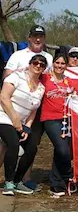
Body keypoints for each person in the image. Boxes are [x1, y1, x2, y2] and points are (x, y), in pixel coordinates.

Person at [1, 55, 46, 196]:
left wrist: (27, 127)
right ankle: (8, 182)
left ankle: (17, 180)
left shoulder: (41, 88)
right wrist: (15, 121)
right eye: (35, 63)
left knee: (31, 147)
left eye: (42, 64)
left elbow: (33, 110)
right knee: (13, 144)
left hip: (21, 123)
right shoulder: (16, 77)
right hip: (4, 117)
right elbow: (3, 97)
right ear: (30, 64)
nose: (38, 66)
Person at [40, 54, 76, 197]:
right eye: (57, 62)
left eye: (63, 63)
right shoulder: (45, 78)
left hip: (67, 120)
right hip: (50, 119)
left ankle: (55, 183)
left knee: (62, 151)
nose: (60, 66)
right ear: (53, 63)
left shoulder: (69, 81)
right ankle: (69, 176)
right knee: (63, 150)